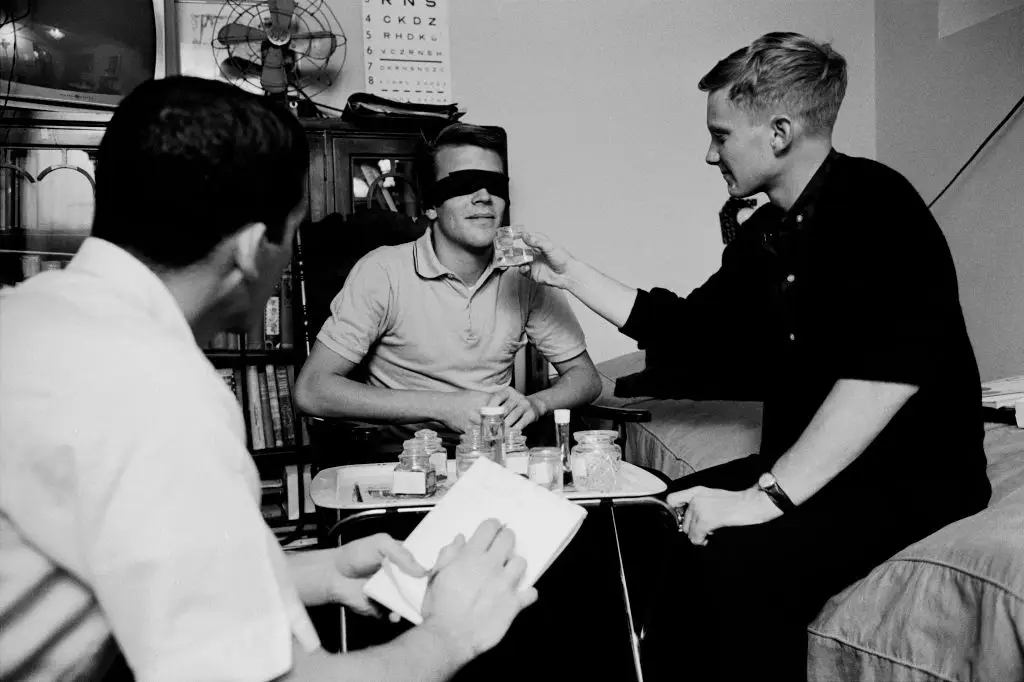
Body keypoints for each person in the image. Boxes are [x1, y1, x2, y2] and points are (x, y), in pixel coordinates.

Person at [0, 76, 535, 682]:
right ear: (255, 249)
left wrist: (318, 572)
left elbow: (132, 559)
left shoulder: (27, 314)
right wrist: (450, 636)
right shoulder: (160, 395)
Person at [521, 32, 990, 681]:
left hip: (906, 481)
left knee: (727, 567)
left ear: (778, 132)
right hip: (802, 469)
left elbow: (884, 376)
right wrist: (572, 275)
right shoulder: (767, 230)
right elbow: (688, 327)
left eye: (720, 134)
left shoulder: (879, 204)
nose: (707, 152)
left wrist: (761, 500)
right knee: (622, 528)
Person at [293, 123, 603, 449]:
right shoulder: (382, 271)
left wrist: (536, 404)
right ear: (430, 204)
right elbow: (312, 390)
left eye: (494, 185)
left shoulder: (525, 273)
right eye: (465, 184)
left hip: (493, 456)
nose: (484, 197)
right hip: (403, 461)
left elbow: (586, 378)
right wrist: (444, 407)